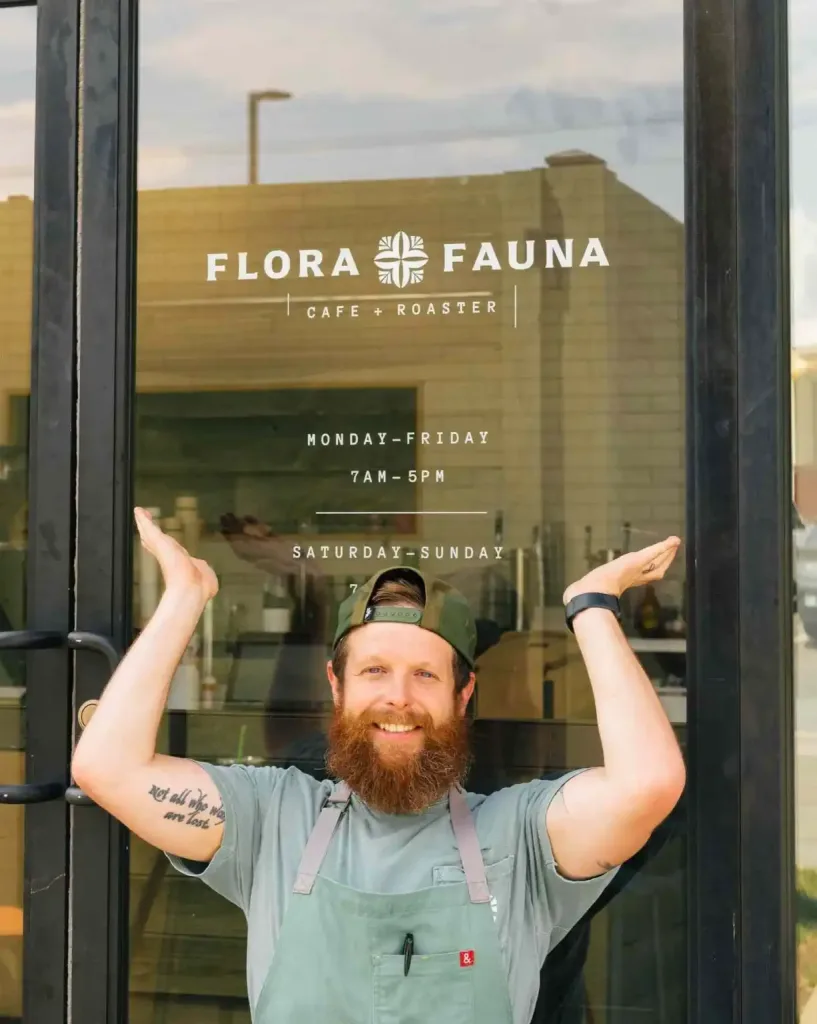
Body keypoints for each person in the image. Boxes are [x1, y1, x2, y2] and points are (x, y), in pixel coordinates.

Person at [72, 508, 685, 1024]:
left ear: (463, 695)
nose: (399, 697)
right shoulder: (271, 819)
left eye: (425, 675)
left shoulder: (520, 837)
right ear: (336, 686)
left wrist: (592, 607)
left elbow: (648, 783)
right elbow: (107, 768)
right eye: (375, 671)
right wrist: (185, 596)